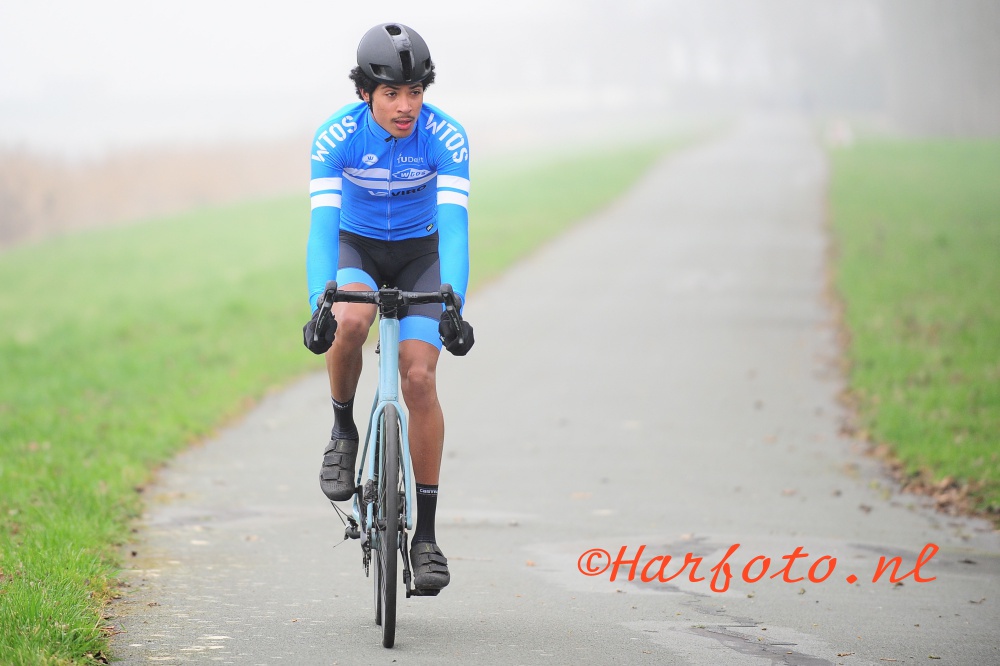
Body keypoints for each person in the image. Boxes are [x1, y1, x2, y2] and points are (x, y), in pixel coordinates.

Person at [301, 22, 474, 592]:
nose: (406, 107)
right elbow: (323, 229)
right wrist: (319, 301)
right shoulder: (336, 138)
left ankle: (426, 535)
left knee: (419, 376)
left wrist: (453, 304)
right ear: (365, 93)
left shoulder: (446, 137)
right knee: (350, 318)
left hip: (422, 254)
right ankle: (343, 429)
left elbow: (454, 227)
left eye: (415, 92)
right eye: (392, 93)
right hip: (357, 247)